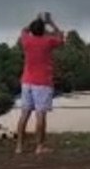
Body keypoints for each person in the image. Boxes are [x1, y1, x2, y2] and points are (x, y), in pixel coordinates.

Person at [16, 12, 65, 155]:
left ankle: (19, 146)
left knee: (24, 113)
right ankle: (40, 146)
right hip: (43, 82)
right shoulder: (48, 41)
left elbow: (24, 30)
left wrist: (36, 20)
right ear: (43, 30)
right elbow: (61, 37)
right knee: (40, 115)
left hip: (27, 81)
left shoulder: (26, 41)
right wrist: (50, 22)